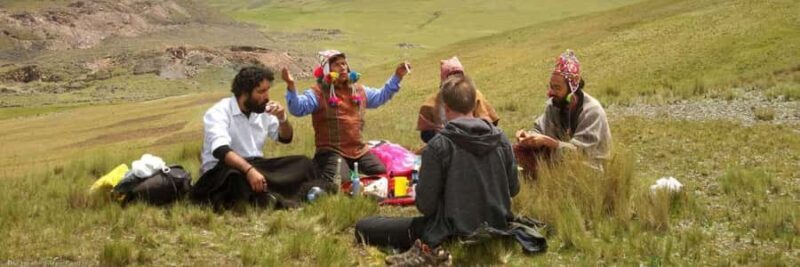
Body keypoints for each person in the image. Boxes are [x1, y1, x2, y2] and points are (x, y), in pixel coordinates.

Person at [354, 75, 519, 266]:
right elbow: (513, 189)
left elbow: (426, 206)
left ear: (446, 109)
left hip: (450, 231)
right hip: (498, 226)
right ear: (475, 105)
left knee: (364, 226)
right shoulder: (502, 139)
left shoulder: (438, 146)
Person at [191, 66, 324, 210]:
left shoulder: (262, 110)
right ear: (244, 93)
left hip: (256, 166)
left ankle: (269, 197)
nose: (266, 96)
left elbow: (285, 138)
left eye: (267, 90)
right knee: (234, 178)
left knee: (303, 163)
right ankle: (276, 197)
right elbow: (221, 150)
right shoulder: (219, 112)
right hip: (223, 169)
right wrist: (249, 171)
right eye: (260, 92)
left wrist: (282, 118)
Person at [282, 50, 410, 183]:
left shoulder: (358, 90)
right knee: (342, 182)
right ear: (327, 70)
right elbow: (297, 109)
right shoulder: (318, 93)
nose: (342, 67)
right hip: (331, 151)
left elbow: (380, 97)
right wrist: (291, 86)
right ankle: (322, 173)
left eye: (344, 63)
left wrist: (397, 76)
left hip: (358, 150)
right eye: (337, 64)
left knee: (381, 174)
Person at [514, 49, 612, 177]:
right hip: (561, 159)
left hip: (590, 167)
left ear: (572, 90)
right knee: (516, 150)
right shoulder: (555, 104)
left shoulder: (592, 111)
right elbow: (540, 129)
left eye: (557, 88)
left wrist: (549, 142)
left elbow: (580, 153)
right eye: (551, 86)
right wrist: (529, 137)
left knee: (572, 167)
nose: (551, 92)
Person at [417, 56, 499, 143]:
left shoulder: (475, 95)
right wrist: (437, 133)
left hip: (474, 142)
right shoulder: (431, 103)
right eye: (451, 77)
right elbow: (425, 135)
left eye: (459, 75)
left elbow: (490, 124)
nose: (455, 81)